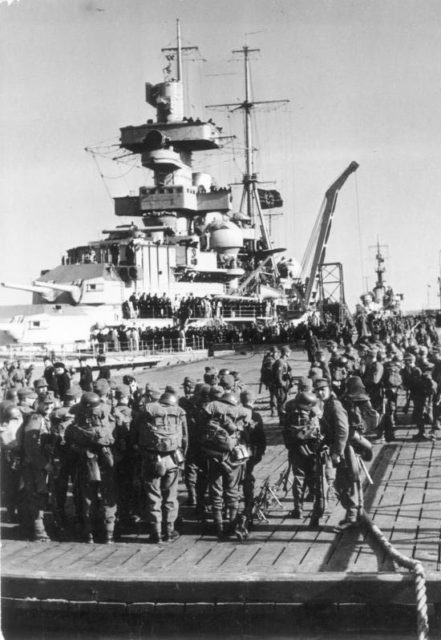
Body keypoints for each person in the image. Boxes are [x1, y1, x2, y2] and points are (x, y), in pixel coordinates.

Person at [133, 390, 187, 543]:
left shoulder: (146, 411)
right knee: (171, 496)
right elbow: (185, 439)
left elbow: (134, 435)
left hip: (151, 458)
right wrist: (182, 457)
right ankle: (169, 531)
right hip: (173, 458)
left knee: (153, 496)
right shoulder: (178, 412)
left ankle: (155, 532)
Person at [65, 392, 116, 543]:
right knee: (108, 497)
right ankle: (109, 534)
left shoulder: (74, 429)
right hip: (107, 464)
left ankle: (90, 534)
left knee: (88, 499)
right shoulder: (109, 427)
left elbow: (69, 443)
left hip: (86, 465)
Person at [199, 391, 251, 540]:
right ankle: (233, 524)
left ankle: (218, 526)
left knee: (216, 492)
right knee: (233, 491)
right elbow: (247, 433)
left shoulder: (212, 407)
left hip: (213, 456)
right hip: (233, 458)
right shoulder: (241, 412)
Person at [315, 378, 361, 530]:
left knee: (344, 482)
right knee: (344, 482)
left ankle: (352, 517)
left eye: (323, 389)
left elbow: (342, 430)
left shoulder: (334, 405)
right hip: (339, 448)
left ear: (330, 389)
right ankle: (353, 515)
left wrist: (337, 452)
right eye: (317, 390)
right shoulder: (328, 404)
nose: (320, 392)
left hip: (344, 449)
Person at [20, 391, 56, 541]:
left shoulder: (45, 418)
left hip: (40, 464)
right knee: (37, 496)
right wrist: (45, 464)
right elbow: (31, 448)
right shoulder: (35, 419)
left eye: (50, 403)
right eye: (45, 403)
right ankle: (39, 532)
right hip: (34, 466)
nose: (48, 406)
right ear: (38, 403)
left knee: (40, 496)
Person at [283, 390, 322, 524]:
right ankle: (317, 505)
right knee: (314, 477)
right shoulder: (312, 415)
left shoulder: (290, 413)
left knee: (299, 478)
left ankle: (298, 508)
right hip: (312, 449)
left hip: (296, 449)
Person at [239, 389, 266, 528]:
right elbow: (261, 435)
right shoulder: (255, 415)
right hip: (251, 451)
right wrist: (261, 451)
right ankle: (248, 504)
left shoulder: (236, 412)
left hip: (237, 452)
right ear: (253, 401)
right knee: (248, 476)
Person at [272, 345, 293, 425]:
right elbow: (278, 376)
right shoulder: (280, 362)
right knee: (282, 403)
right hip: (280, 387)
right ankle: (282, 421)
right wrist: (284, 386)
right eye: (289, 352)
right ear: (286, 353)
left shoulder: (284, 361)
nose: (290, 353)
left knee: (284, 402)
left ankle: (284, 420)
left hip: (284, 385)